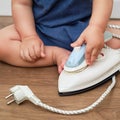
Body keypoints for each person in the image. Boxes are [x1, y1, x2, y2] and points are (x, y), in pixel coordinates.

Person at [0, 0, 119, 73]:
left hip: (85, 31)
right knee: (2, 42)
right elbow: (21, 4)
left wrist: (96, 28)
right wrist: (28, 36)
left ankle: (86, 50)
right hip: (41, 32)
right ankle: (53, 54)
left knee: (115, 34)